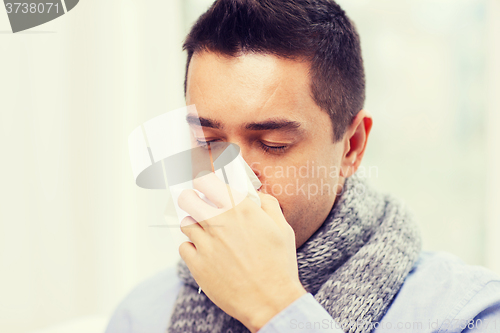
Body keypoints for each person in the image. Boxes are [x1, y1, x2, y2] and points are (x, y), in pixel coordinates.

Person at [105, 0, 500, 332]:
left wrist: (277, 308)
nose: (233, 175)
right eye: (207, 141)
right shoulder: (139, 315)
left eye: (273, 144)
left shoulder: (466, 313)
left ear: (352, 146)